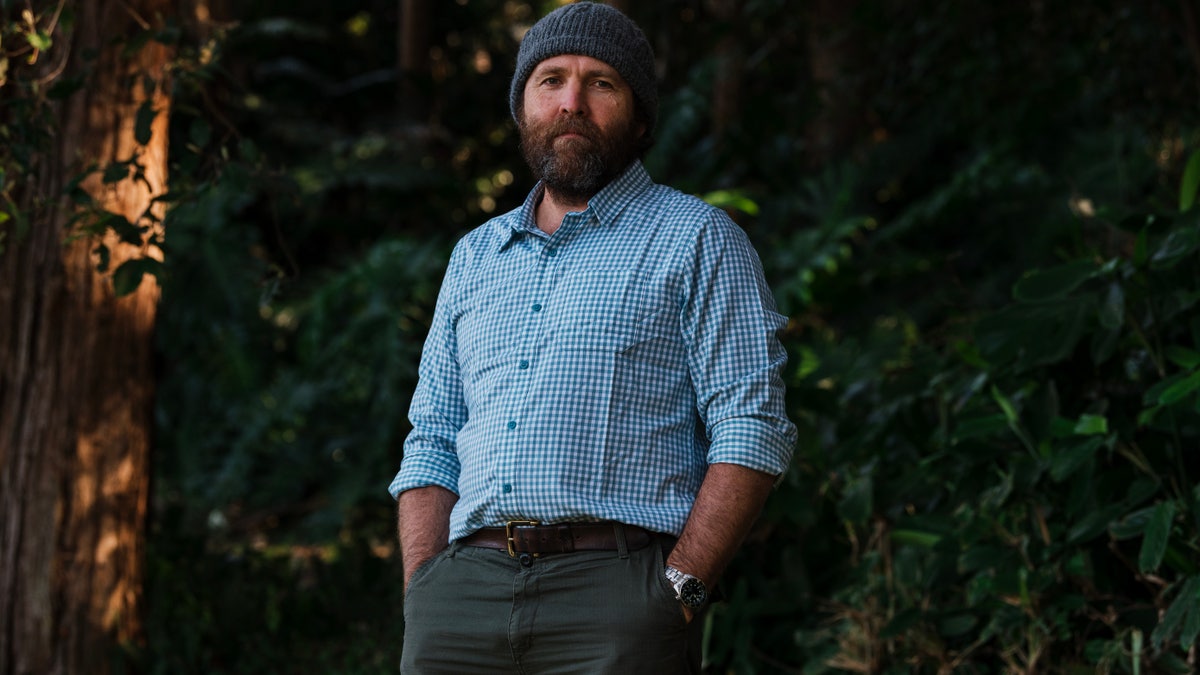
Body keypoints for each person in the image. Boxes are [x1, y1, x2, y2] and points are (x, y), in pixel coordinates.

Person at [388, 2, 796, 672]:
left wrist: (680, 589)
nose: (572, 101)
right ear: (523, 105)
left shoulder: (696, 239)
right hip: (460, 602)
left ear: (639, 117)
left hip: (618, 599)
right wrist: (425, 589)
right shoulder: (475, 256)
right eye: (551, 79)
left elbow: (751, 426)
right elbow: (432, 435)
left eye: (601, 82)